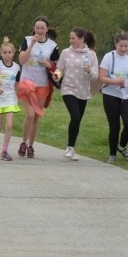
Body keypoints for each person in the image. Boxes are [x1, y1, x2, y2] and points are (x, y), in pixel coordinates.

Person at [54, 27, 99, 162]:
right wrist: (57, 75)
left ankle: (71, 148)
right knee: (75, 116)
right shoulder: (65, 52)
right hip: (68, 88)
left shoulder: (91, 55)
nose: (71, 40)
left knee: (77, 120)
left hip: (83, 91)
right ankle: (69, 148)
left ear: (81, 39)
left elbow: (95, 76)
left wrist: (90, 71)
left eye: (73, 38)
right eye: (70, 38)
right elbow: (59, 68)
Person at [17, 16, 59, 158]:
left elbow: (57, 67)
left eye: (42, 28)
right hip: (27, 83)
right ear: (34, 28)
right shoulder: (27, 40)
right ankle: (23, 142)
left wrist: (49, 65)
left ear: (47, 29)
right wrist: (31, 45)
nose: (39, 31)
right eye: (37, 28)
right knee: (29, 114)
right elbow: (21, 60)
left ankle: (31, 145)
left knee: (35, 116)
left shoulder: (52, 46)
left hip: (42, 85)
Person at [99, 30, 128, 163]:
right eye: (121, 46)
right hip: (110, 94)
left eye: (126, 46)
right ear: (115, 44)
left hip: (127, 95)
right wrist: (115, 82)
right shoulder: (109, 57)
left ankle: (122, 146)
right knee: (115, 126)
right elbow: (101, 77)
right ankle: (112, 154)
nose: (123, 49)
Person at [0, 38, 22, 161]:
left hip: (10, 98)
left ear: (13, 53)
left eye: (9, 52)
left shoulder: (16, 67)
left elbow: (17, 83)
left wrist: (21, 93)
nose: (7, 55)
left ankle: (4, 151)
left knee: (9, 125)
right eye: (5, 52)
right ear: (0, 53)